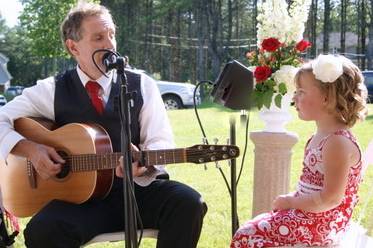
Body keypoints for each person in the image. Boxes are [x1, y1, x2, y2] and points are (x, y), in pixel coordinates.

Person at [0, 1, 206, 247]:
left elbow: (160, 140)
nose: (109, 44)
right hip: (81, 203)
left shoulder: (141, 84)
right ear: (73, 47)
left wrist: (144, 164)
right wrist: (31, 150)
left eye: (111, 35)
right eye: (98, 38)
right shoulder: (51, 89)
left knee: (188, 203)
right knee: (42, 229)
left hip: (138, 192)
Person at [231, 54, 368, 247]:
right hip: (309, 215)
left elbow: (331, 199)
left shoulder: (337, 143)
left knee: (247, 235)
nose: (294, 98)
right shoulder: (319, 138)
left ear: (327, 97)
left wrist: (291, 202)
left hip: (322, 224)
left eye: (301, 92)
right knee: (251, 228)